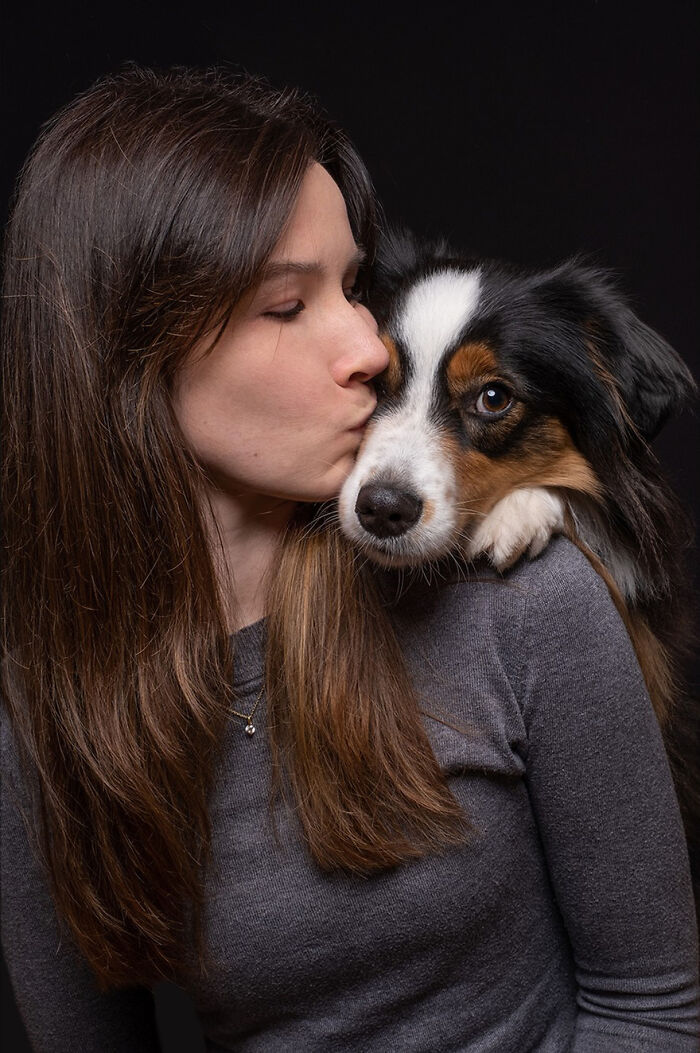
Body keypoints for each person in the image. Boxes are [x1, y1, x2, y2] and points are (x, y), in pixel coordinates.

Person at [1, 64, 698, 1053]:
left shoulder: (524, 598)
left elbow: (654, 1012)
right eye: (288, 305)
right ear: (126, 354)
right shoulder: (45, 715)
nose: (369, 346)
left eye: (352, 285)